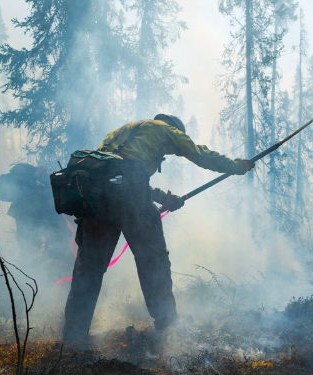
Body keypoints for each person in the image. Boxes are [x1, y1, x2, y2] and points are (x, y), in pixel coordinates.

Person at [62, 114, 255, 345]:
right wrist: (235, 166)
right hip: (131, 201)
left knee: (88, 271)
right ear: (174, 129)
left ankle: (73, 340)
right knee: (153, 263)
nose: (167, 155)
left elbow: (118, 177)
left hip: (97, 202)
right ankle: (168, 331)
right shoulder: (166, 129)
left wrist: (164, 198)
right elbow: (199, 154)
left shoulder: (121, 133)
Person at [0, 163, 73, 268]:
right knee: (28, 249)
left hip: (41, 216)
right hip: (27, 217)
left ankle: (52, 272)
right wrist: (34, 177)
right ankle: (25, 273)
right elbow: (12, 192)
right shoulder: (24, 177)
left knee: (54, 246)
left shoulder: (47, 179)